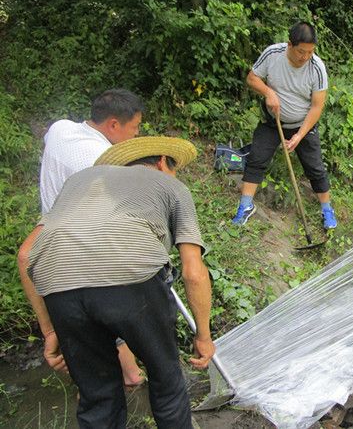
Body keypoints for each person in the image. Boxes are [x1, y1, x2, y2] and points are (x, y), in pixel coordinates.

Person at [18, 136, 215, 429]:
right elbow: (193, 272)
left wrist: (50, 330)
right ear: (163, 163)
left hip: (59, 284)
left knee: (98, 395)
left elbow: (25, 255)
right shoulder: (171, 186)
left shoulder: (78, 183)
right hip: (133, 281)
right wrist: (204, 336)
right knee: (166, 378)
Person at [19, 88, 145, 387]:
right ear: (113, 124)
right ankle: (113, 372)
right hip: (75, 236)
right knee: (104, 293)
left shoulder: (60, 128)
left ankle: (128, 373)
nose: (136, 135)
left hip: (50, 225)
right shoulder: (99, 160)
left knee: (28, 258)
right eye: (135, 128)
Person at [232, 21, 337, 229]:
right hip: (273, 121)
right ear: (290, 44)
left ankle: (327, 209)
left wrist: (299, 135)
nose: (305, 57)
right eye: (301, 51)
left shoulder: (317, 68)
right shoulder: (273, 54)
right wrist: (268, 92)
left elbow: (317, 107)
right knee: (257, 159)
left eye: (310, 52)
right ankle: (245, 206)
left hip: (303, 124)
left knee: (315, 168)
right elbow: (252, 78)